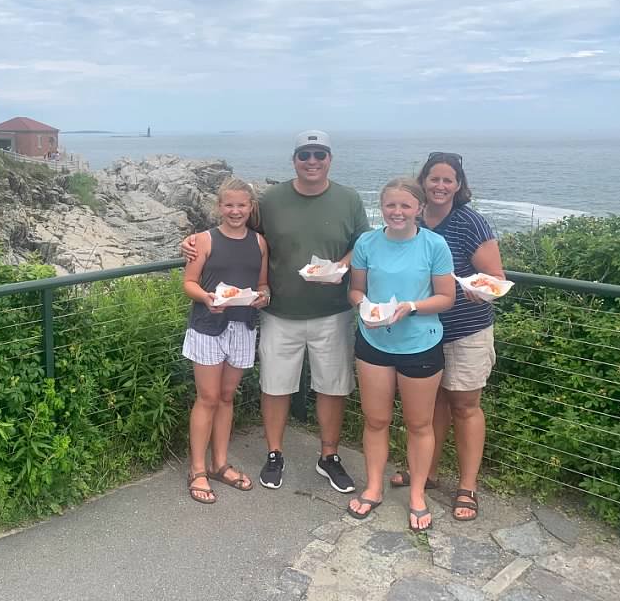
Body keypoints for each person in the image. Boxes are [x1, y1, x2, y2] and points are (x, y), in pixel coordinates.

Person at [183, 130, 370, 493]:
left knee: (332, 387)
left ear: (330, 158)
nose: (312, 161)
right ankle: (273, 454)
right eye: (305, 155)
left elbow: (364, 241)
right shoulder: (270, 200)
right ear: (294, 159)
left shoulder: (348, 198)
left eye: (319, 154)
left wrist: (343, 266)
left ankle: (329, 456)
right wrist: (190, 240)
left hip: (332, 311)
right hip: (278, 313)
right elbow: (234, 231)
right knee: (275, 386)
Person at [389, 152, 505, 521]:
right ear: (423, 182)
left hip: (465, 330)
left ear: (458, 185)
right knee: (432, 407)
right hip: (424, 330)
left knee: (465, 406)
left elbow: (496, 278)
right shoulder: (415, 216)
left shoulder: (471, 223)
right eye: (434, 179)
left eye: (447, 180)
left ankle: (467, 487)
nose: (440, 186)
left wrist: (479, 289)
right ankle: (428, 473)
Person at [346, 178, 455, 531]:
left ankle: (417, 495)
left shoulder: (434, 244)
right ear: (381, 207)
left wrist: (411, 306)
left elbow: (446, 298)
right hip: (373, 342)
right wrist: (364, 307)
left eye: (405, 205)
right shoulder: (366, 242)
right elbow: (356, 290)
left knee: (419, 424)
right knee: (375, 420)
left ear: (419, 208)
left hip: (420, 344)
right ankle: (373, 487)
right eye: (390, 205)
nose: (397, 212)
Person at [182, 177, 270, 503]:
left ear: (251, 207)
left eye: (241, 205)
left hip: (243, 326)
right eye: (229, 205)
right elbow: (189, 283)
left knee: (227, 396)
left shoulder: (260, 243)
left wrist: (263, 297)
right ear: (219, 206)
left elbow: (263, 285)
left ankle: (220, 463)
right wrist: (206, 297)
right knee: (207, 397)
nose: (235, 211)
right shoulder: (203, 240)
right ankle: (197, 469)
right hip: (208, 325)